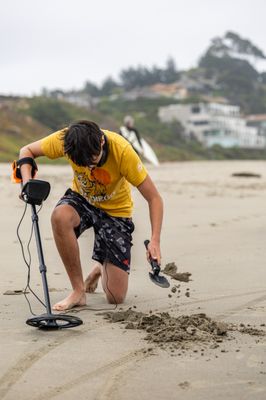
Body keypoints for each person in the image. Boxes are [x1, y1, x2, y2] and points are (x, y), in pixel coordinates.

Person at [17, 120, 163, 311]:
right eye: (83, 164)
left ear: (102, 142)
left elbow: (154, 198)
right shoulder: (66, 140)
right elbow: (26, 151)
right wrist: (27, 183)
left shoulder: (123, 151)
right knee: (59, 216)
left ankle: (99, 268)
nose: (90, 168)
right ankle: (78, 291)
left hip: (116, 212)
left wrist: (155, 241)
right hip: (82, 199)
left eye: (92, 161)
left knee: (115, 297)